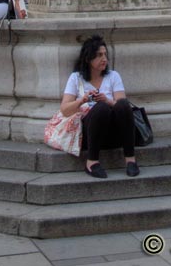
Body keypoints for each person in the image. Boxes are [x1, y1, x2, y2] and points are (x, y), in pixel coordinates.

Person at [59, 34, 139, 179]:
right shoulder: (76, 78)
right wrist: (82, 100)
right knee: (100, 109)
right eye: (99, 55)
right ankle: (92, 162)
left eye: (105, 55)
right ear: (88, 58)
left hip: (114, 131)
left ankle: (130, 160)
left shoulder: (113, 76)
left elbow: (122, 106)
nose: (104, 59)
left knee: (122, 104)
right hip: (88, 132)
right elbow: (64, 110)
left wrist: (107, 100)